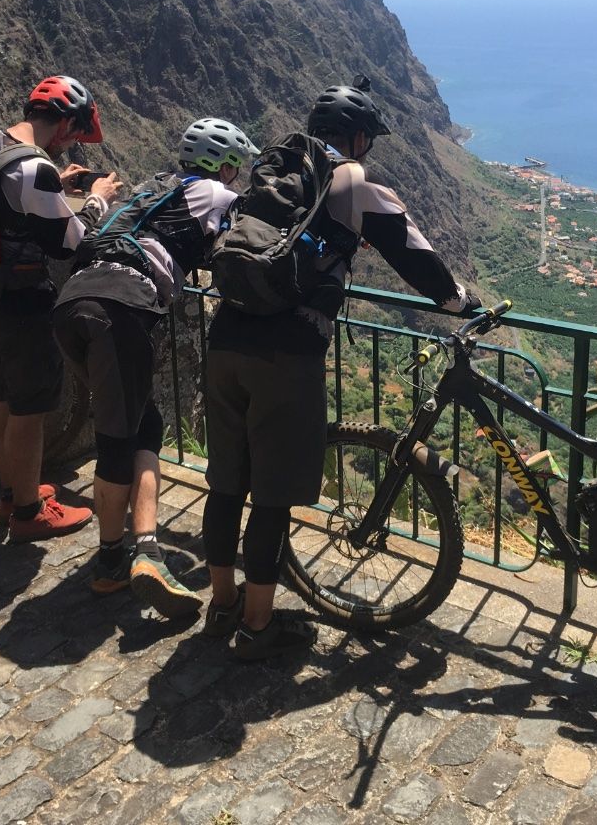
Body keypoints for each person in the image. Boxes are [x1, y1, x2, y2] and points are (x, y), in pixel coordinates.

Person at [202, 79, 479, 659]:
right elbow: (410, 248)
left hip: (225, 334)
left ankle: (222, 603)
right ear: (356, 137)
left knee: (228, 481)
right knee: (272, 493)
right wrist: (457, 301)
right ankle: (257, 626)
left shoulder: (276, 173)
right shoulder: (348, 178)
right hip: (288, 349)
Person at [53, 117, 258, 617]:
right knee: (120, 441)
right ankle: (119, 561)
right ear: (223, 165)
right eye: (236, 166)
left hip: (72, 304)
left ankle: (136, 550)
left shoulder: (153, 188)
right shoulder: (215, 193)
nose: (237, 176)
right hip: (120, 309)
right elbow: (250, 239)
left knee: (142, 425)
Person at [0, 75, 123, 541]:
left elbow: (5, 204)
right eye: (74, 133)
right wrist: (97, 200)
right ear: (68, 123)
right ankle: (30, 513)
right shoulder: (34, 169)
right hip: (20, 303)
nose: (72, 142)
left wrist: (57, 181)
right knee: (29, 410)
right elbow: (69, 243)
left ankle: (12, 492)